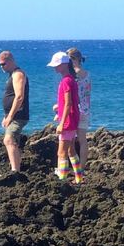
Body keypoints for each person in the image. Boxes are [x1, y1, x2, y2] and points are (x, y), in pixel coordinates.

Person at [47, 51, 83, 184]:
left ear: (63, 65)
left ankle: (61, 180)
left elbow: (69, 103)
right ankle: (79, 178)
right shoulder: (71, 80)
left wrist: (62, 123)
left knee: (61, 152)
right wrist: (59, 110)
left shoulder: (66, 81)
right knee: (71, 149)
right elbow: (75, 100)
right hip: (72, 119)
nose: (54, 68)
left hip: (68, 121)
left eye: (56, 65)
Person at [0, 51, 30, 172]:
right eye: (0, 65)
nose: (2, 67)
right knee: (13, 141)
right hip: (12, 115)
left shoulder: (18, 74)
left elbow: (19, 97)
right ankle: (16, 168)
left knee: (9, 139)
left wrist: (10, 116)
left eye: (4, 64)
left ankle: (15, 170)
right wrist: (5, 115)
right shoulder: (11, 75)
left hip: (18, 115)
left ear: (11, 61)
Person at [67, 47, 91, 171]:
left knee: (69, 140)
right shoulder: (87, 73)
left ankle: (75, 168)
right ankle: (81, 168)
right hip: (85, 109)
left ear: (73, 59)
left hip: (75, 109)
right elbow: (88, 92)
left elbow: (71, 92)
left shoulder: (73, 74)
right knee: (82, 140)